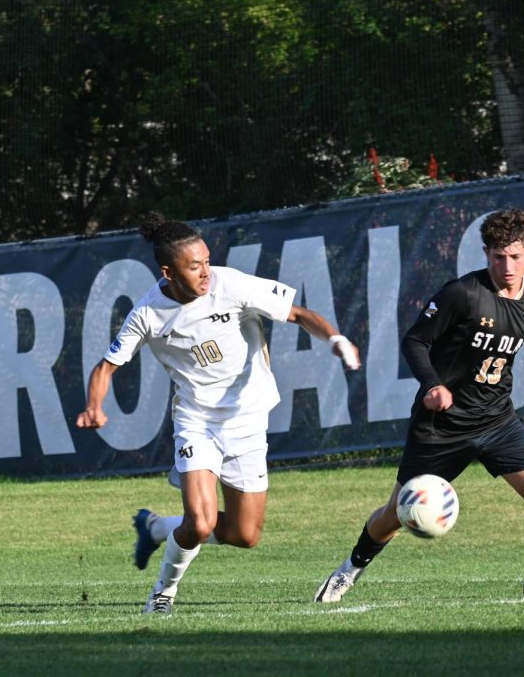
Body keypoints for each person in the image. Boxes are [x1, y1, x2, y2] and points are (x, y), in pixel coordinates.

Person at [76, 213, 361, 615]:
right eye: (195, 266)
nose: (206, 271)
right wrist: (94, 406)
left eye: (207, 260)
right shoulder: (147, 313)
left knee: (245, 535)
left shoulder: (230, 284)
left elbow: (297, 314)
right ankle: (163, 593)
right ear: (168, 270)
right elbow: (106, 367)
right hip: (197, 422)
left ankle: (157, 527)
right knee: (201, 523)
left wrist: (335, 339)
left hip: (248, 420)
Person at [314, 206, 524, 604]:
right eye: (498, 256)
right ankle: (348, 570)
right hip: (442, 425)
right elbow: (415, 340)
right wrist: (432, 384)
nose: (507, 265)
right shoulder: (463, 294)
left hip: (498, 422)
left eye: (515, 256)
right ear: (486, 253)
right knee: (395, 514)